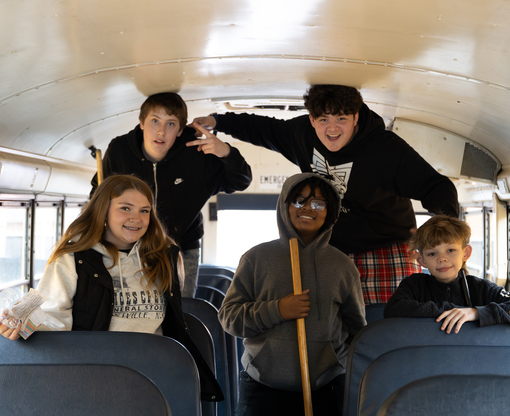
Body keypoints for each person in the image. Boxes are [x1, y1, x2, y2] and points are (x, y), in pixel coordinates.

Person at [192, 84, 459, 304]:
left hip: (386, 248)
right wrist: (219, 120)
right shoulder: (301, 135)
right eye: (323, 120)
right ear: (312, 120)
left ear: (356, 117)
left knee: (389, 329)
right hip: (332, 249)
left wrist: (437, 232)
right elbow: (264, 129)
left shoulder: (387, 150)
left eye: (341, 118)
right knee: (333, 331)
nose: (332, 129)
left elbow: (438, 187)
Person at [0, 174, 224, 401]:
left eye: (144, 210)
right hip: (93, 375)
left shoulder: (165, 258)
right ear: (103, 211)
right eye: (125, 208)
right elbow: (52, 318)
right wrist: (20, 327)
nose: (137, 218)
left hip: (155, 374)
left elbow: (172, 322)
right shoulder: (72, 259)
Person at [218, 173, 366, 416]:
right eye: (299, 200)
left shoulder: (342, 266)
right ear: (284, 206)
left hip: (322, 392)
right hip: (263, 389)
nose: (308, 209)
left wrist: (338, 372)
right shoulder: (257, 258)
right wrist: (277, 309)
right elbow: (229, 318)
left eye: (318, 202)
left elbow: (357, 332)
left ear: (330, 211)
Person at [91, 92, 252, 297]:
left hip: (181, 249)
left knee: (179, 314)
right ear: (141, 123)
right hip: (128, 248)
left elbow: (241, 180)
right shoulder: (120, 150)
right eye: (154, 121)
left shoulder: (197, 155)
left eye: (170, 124)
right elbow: (98, 192)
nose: (161, 131)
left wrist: (226, 153)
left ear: (180, 130)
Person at [384, 215, 510, 333]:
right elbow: (393, 309)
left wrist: (476, 312)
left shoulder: (481, 287)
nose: (442, 259)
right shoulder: (414, 284)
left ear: (466, 253)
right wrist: (453, 310)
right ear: (422, 261)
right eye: (432, 253)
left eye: (450, 250)